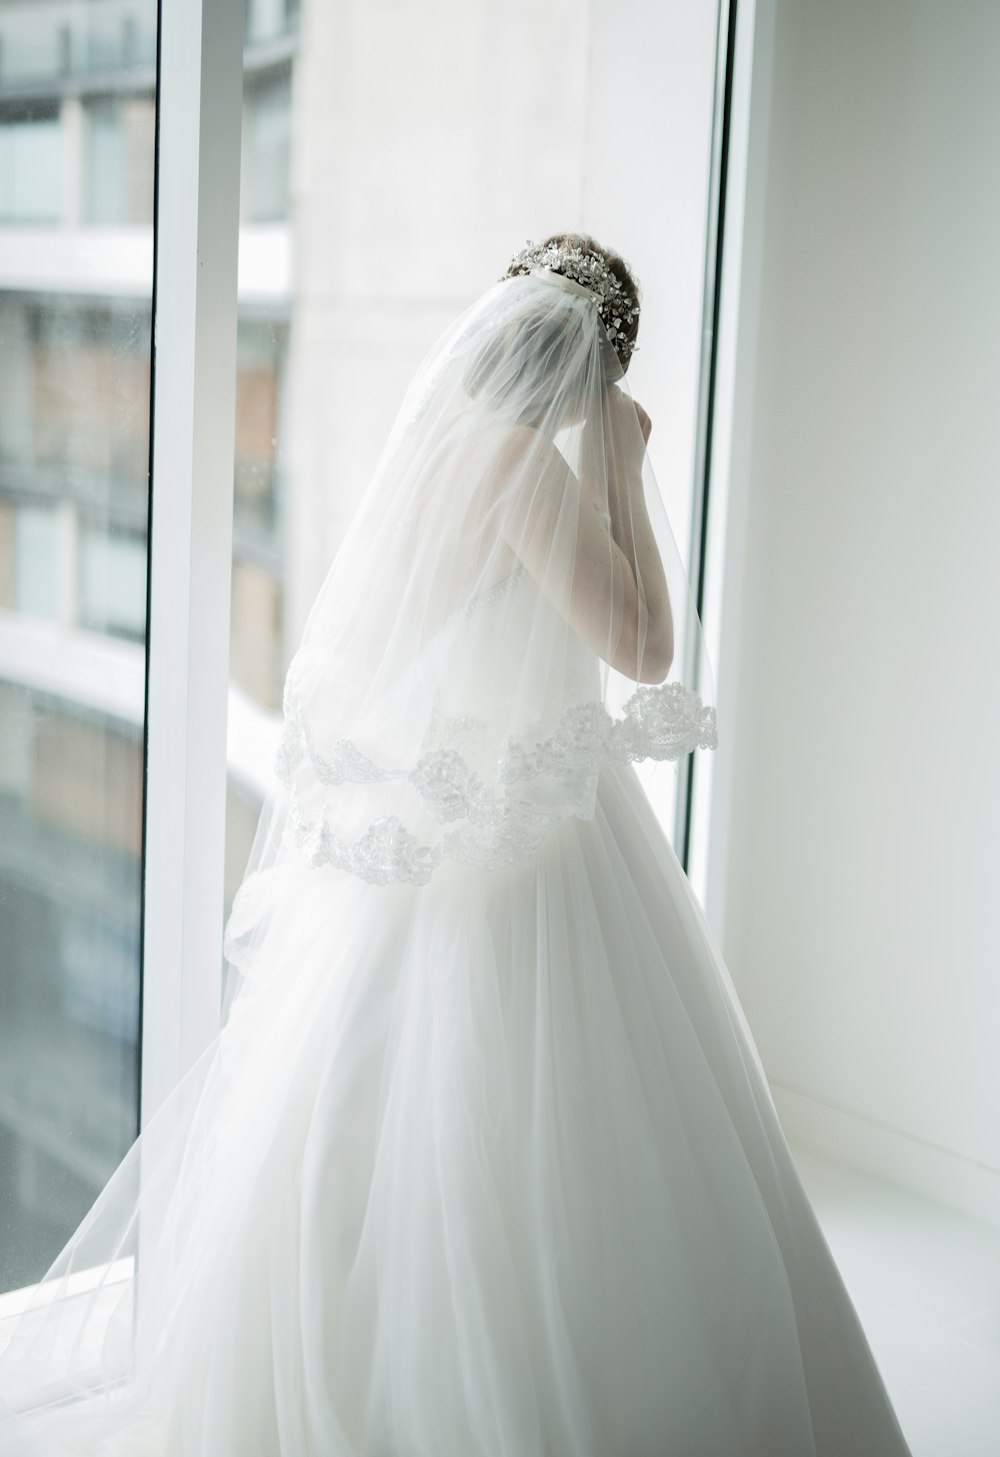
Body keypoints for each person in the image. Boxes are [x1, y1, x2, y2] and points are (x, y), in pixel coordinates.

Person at [0, 233, 913, 1456]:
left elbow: (391, 652)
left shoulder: (434, 458)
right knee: (537, 1133)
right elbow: (642, 648)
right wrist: (623, 467)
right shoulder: (529, 470)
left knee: (371, 1122)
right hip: (522, 849)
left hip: (434, 828)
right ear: (593, 373)